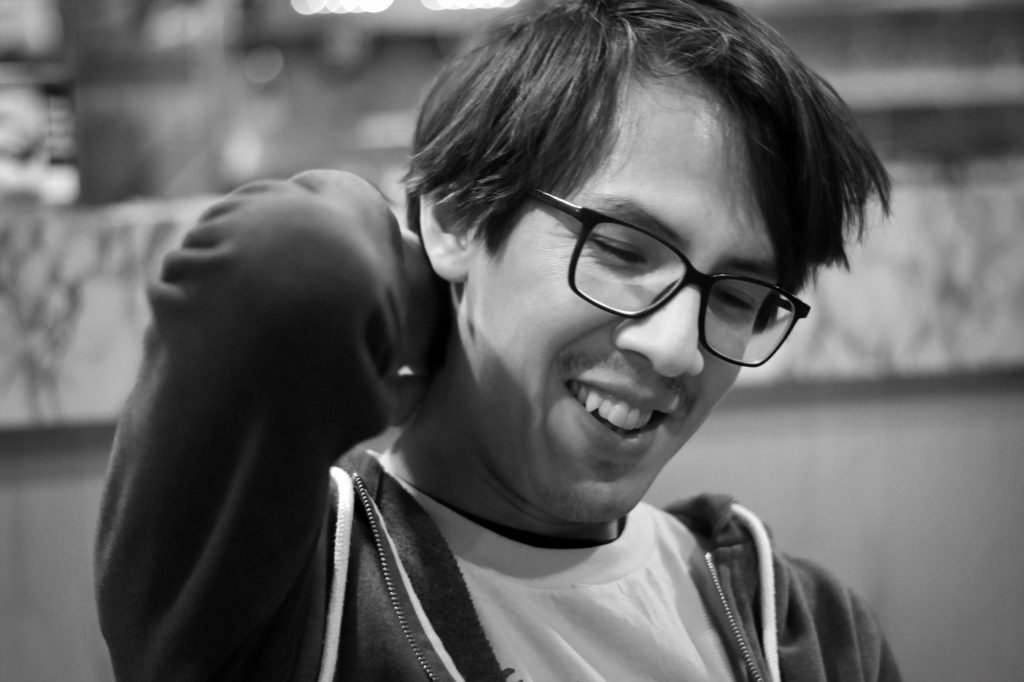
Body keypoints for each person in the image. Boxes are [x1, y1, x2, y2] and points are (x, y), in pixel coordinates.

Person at [95, 0, 901, 680]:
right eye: (623, 251)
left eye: (738, 297)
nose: (676, 349)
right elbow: (285, 267)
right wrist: (420, 312)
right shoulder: (292, 595)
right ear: (456, 216)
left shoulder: (802, 629)